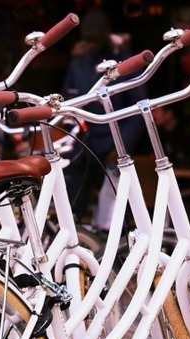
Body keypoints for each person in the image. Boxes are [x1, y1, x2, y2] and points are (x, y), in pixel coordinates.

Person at [59, 9, 148, 223]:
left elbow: (138, 108)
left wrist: (121, 145)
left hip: (113, 144)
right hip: (83, 142)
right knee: (72, 208)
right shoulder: (79, 61)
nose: (92, 44)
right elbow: (67, 100)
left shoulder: (124, 62)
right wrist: (70, 137)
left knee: (115, 214)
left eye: (95, 39)